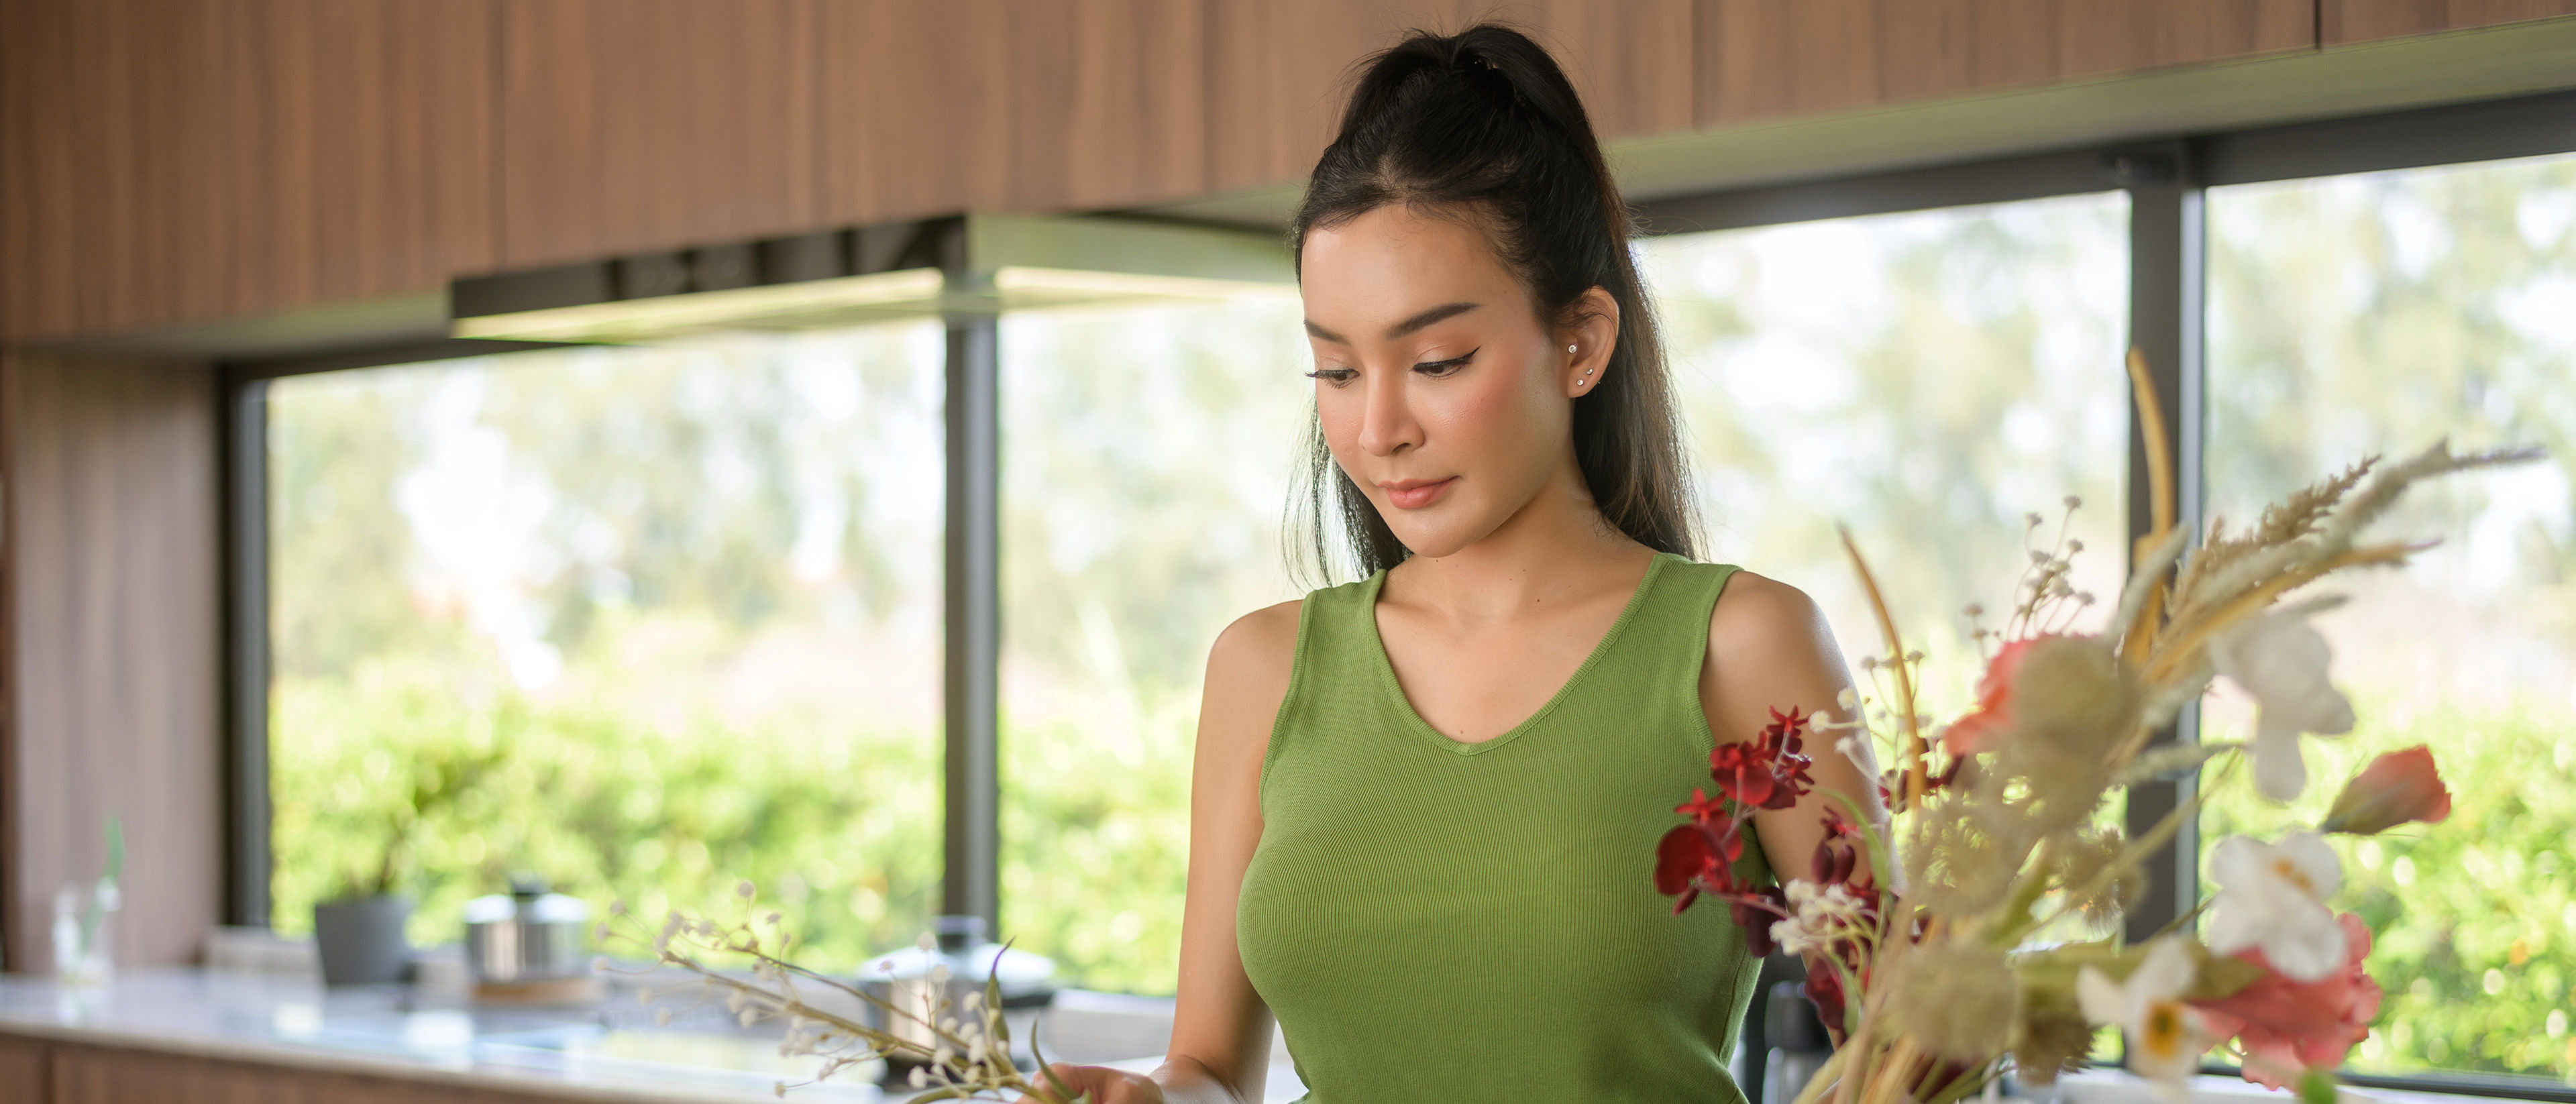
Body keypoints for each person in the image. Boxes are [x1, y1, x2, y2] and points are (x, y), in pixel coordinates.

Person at [1034, 23, 1881, 1104]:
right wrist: (1156, 1097)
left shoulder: (1741, 646)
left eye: (1437, 361)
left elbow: (1909, 1047)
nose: (1378, 426)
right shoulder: (1263, 667)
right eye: (1335, 369)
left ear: (1581, 342)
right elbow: (1213, 1067)